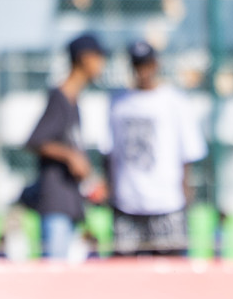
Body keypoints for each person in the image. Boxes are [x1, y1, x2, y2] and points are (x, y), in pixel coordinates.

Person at [104, 41, 206, 257]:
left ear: (156, 64)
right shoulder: (117, 103)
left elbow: (188, 153)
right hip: (127, 204)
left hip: (167, 204)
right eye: (138, 65)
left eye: (147, 64)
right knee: (125, 277)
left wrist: (185, 193)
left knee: (171, 276)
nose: (143, 71)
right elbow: (108, 151)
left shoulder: (176, 102)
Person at [26, 34, 106, 259]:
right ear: (84, 58)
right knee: (55, 279)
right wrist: (70, 156)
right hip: (55, 206)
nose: (102, 64)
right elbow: (35, 140)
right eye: (99, 57)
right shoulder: (59, 98)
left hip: (68, 205)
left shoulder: (73, 101)